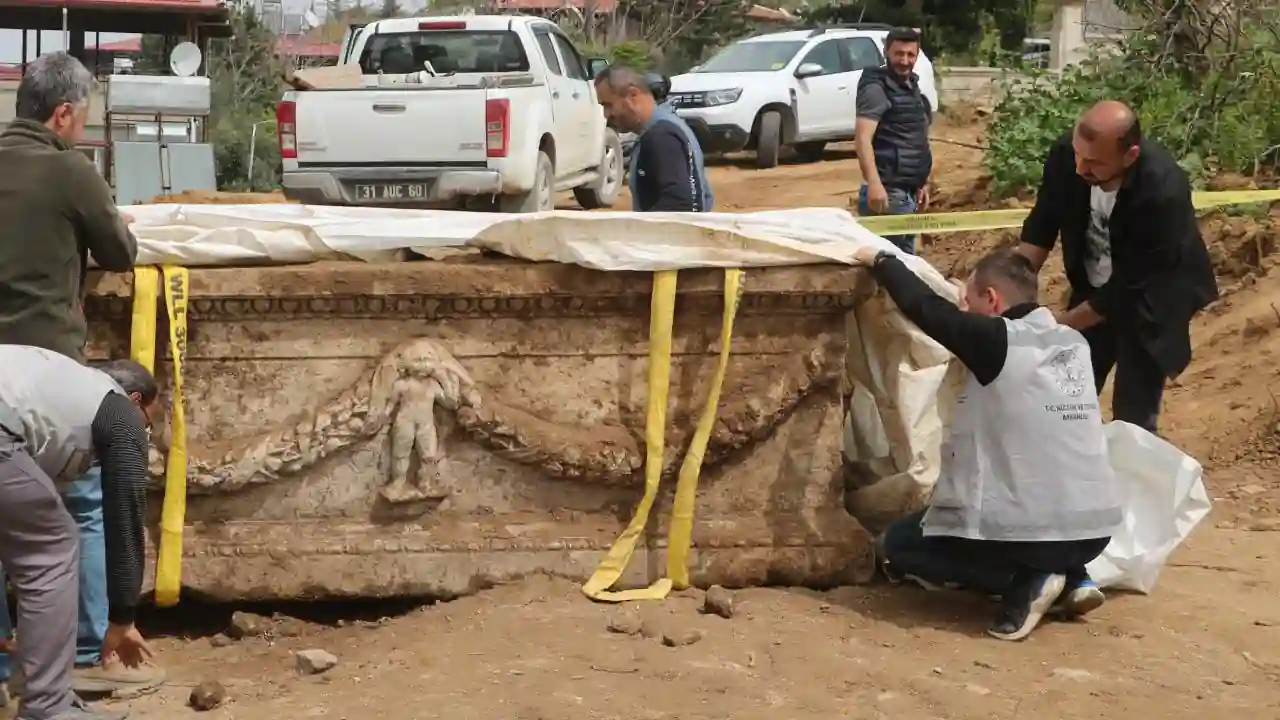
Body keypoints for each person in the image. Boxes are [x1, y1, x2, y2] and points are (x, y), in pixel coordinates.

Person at [849, 246, 1122, 641]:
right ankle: (1075, 578)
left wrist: (882, 260)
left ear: (992, 300)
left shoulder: (999, 340)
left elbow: (925, 309)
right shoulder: (1072, 342)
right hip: (1095, 529)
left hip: (1039, 533)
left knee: (900, 544)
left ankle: (1029, 580)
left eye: (969, 300)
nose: (965, 310)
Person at [0, 52, 160, 703]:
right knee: (85, 506)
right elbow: (121, 251)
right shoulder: (69, 172)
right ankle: (95, 647)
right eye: (81, 120)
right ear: (63, 114)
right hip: (46, 366)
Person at [1015, 101, 1219, 434]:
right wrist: (1014, 286)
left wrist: (1056, 326)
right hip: (1093, 285)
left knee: (1132, 414)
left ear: (1130, 156)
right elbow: (1043, 222)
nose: (1081, 168)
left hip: (1150, 299)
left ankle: (1132, 474)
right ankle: (1074, 470)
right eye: (1079, 156)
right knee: (1063, 395)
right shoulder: (1068, 155)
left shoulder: (1162, 189)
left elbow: (1129, 286)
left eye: (1094, 162)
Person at [0, 349, 159, 720]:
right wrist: (122, 617)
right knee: (51, 549)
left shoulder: (51, 386)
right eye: (148, 423)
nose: (143, 434)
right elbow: (126, 511)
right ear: (137, 400)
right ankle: (48, 707)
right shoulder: (118, 408)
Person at [854, 27, 934, 254]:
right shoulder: (876, 88)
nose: (905, 60)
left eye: (911, 55)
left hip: (908, 193)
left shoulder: (911, 87)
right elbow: (862, 140)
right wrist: (875, 184)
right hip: (888, 194)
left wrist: (923, 183)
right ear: (886, 52)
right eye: (899, 53)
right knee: (897, 269)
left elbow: (915, 139)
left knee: (900, 266)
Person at [594, 65, 714, 213]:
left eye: (608, 105)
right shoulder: (661, 128)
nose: (606, 114)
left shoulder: (662, 136)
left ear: (633, 95)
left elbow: (681, 203)